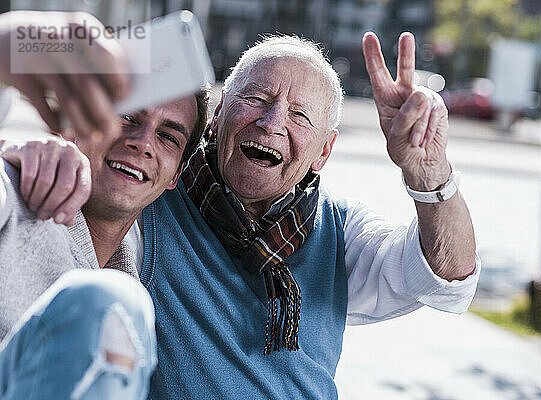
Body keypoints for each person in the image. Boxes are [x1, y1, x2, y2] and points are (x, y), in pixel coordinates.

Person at [136, 33, 480, 399]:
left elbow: (447, 278)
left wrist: (429, 171)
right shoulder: (155, 192)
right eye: (256, 99)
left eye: (300, 115)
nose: (271, 123)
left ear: (323, 152)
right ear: (218, 114)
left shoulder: (339, 229)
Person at [0, 10, 209, 399]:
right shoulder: (14, 186)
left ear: (176, 176)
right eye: (127, 116)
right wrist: (8, 46)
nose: (142, 142)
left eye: (168, 137)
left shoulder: (147, 267)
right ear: (80, 116)